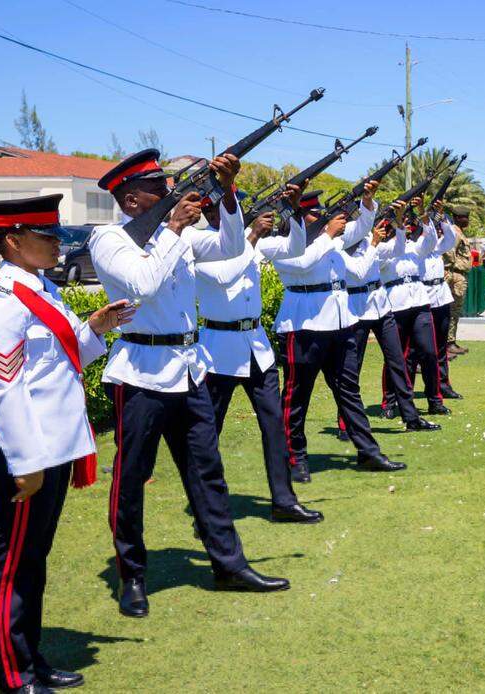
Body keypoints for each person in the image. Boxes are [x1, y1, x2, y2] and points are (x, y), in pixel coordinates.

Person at [90, 149, 289, 618]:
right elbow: (142, 285)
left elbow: (231, 247)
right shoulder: (110, 239)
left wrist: (230, 192)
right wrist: (175, 228)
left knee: (207, 471)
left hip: (188, 367)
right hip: (140, 371)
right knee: (131, 477)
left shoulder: (170, 235)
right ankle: (132, 575)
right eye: (159, 189)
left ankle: (228, 564)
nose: (169, 194)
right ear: (133, 198)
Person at [0, 195, 135, 692]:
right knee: (14, 561)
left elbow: (58, 364)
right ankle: (12, 675)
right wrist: (26, 462)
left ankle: (30, 658)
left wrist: (94, 330)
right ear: (15, 242)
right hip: (28, 452)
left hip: (54, 446)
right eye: (48, 236)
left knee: (33, 560)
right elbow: (2, 388)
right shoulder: (0, 301)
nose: (58, 244)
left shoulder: (40, 288)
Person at [195, 196, 323, 524]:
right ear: (210, 213)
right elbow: (224, 276)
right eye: (223, 209)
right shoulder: (201, 244)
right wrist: (251, 236)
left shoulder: (251, 242)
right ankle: (205, 512)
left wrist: (294, 213)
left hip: (256, 346)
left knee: (275, 425)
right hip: (218, 351)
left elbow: (296, 248)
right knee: (209, 434)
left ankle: (283, 500)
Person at [273, 189, 405, 483]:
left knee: (349, 391)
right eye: (315, 215)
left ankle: (368, 452)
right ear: (298, 217)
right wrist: (328, 235)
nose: (323, 218)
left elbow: (360, 230)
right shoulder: (284, 245)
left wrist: (367, 203)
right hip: (303, 327)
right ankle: (294, 459)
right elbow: (303, 263)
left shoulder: (331, 242)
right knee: (297, 397)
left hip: (341, 324)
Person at [340, 200, 440, 433]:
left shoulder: (370, 242)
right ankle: (346, 424)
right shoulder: (340, 247)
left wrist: (398, 220)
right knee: (351, 369)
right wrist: (374, 242)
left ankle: (411, 417)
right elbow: (358, 271)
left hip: (381, 307)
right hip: (357, 308)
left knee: (398, 363)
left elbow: (398, 248)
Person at [379, 199, 454, 416]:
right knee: (396, 357)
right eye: (398, 222)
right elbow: (395, 249)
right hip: (396, 303)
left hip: (419, 302)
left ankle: (435, 400)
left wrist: (423, 213)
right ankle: (390, 402)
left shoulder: (413, 246)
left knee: (429, 352)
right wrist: (398, 229)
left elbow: (431, 239)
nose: (404, 225)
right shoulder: (383, 249)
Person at [418, 212, 464, 400]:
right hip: (422, 297)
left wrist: (442, 218)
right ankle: (406, 391)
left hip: (440, 295)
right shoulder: (417, 247)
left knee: (441, 346)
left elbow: (451, 238)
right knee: (418, 349)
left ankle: (442, 384)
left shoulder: (437, 246)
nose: (437, 232)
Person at [444, 210, 472, 356]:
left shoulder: (460, 232)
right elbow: (449, 253)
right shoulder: (454, 232)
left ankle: (451, 341)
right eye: (463, 217)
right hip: (455, 275)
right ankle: (447, 343)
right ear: (455, 218)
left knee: (455, 312)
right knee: (451, 311)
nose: (466, 219)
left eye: (467, 217)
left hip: (459, 275)